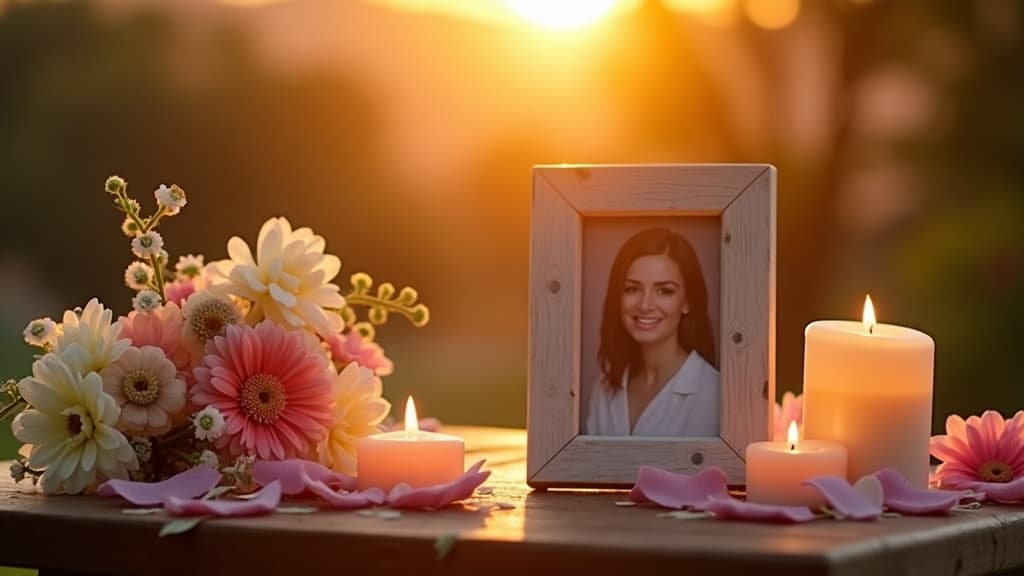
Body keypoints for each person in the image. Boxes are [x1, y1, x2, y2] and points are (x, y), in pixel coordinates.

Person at [585, 227, 720, 437]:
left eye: (664, 291)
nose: (645, 305)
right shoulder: (603, 388)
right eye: (632, 289)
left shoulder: (714, 393)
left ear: (687, 302)